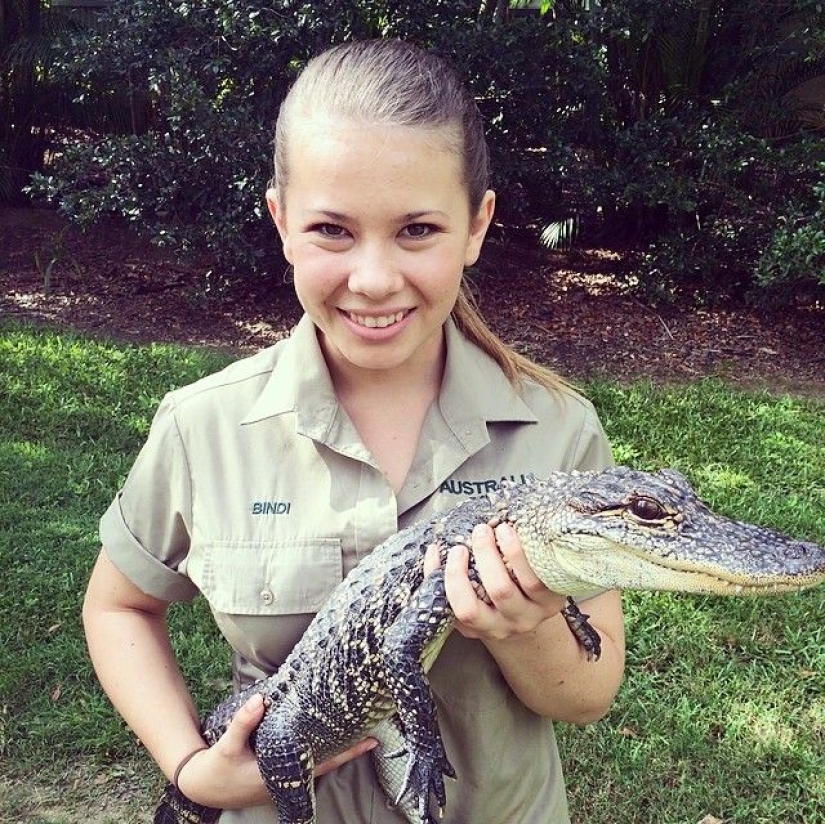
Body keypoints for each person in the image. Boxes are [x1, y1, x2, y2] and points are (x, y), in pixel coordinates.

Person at [82, 38, 626, 824]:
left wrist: (524, 627)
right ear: (280, 221)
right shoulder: (202, 424)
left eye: (416, 231)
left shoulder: (559, 431)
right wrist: (191, 771)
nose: (373, 279)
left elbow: (585, 696)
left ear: (476, 227)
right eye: (332, 230)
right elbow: (118, 606)